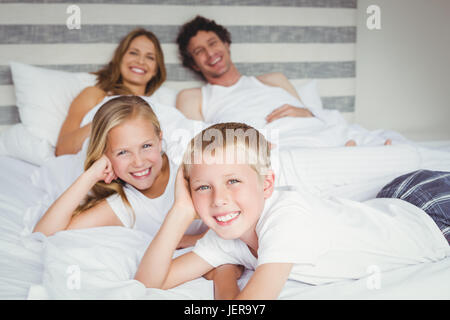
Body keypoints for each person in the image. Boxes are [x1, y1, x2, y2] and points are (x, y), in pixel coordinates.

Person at [134, 122, 449, 300]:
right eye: (203, 187)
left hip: (431, 215)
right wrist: (179, 211)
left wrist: (224, 276)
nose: (219, 199)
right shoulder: (226, 233)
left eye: (233, 180)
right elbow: (148, 283)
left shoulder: (285, 218)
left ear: (267, 184)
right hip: (392, 202)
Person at [174, 15, 392, 147]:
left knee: (385, 145)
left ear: (226, 44)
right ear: (193, 64)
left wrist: (306, 112)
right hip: (271, 146)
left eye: (213, 43)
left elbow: (314, 113)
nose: (211, 53)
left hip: (315, 134)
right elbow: (195, 141)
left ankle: (349, 152)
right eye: (199, 51)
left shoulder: (273, 80)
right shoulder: (194, 97)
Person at [33, 96, 206, 248]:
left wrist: (194, 240)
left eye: (146, 146)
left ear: (160, 141)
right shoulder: (123, 205)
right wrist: (90, 175)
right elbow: (44, 234)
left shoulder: (190, 167)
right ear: (105, 155)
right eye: (123, 152)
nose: (138, 162)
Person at [55, 28, 166, 156]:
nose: (141, 61)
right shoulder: (94, 95)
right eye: (133, 53)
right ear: (119, 58)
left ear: (156, 70)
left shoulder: (161, 107)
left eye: (150, 57)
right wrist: (111, 118)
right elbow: (62, 150)